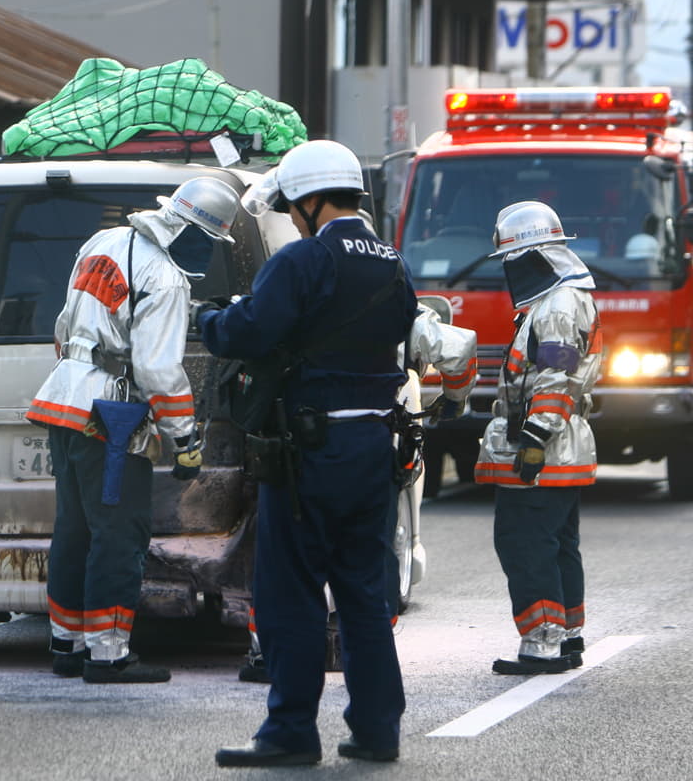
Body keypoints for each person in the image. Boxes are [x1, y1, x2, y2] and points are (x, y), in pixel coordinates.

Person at [198, 140, 417, 766]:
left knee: (291, 593)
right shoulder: (393, 265)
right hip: (374, 446)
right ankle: (377, 731)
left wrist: (212, 318)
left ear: (309, 201)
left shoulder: (303, 260)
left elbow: (249, 331)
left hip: (308, 452)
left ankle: (291, 734)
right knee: (363, 595)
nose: (295, 218)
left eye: (295, 208)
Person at [25, 176, 241, 683]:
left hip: (64, 401)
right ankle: (108, 654)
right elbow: (158, 371)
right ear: (194, 231)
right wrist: (185, 439)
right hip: (112, 420)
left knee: (75, 531)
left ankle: (68, 643)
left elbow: (64, 326)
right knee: (120, 535)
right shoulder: (166, 278)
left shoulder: (103, 243)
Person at [236, 300, 478, 684]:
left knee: (288, 551)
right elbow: (459, 350)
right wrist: (453, 400)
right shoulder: (396, 308)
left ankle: (270, 653)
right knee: (369, 551)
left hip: (296, 443)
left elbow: (236, 337)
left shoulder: (293, 298)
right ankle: (364, 653)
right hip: (370, 446)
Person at [474, 201, 600, 675]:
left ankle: (542, 642)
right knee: (555, 543)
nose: (511, 270)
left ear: (536, 256)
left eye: (514, 259)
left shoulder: (559, 305)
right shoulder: (561, 300)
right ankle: (565, 636)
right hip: (561, 445)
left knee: (525, 543)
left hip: (544, 445)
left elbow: (555, 375)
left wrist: (533, 437)